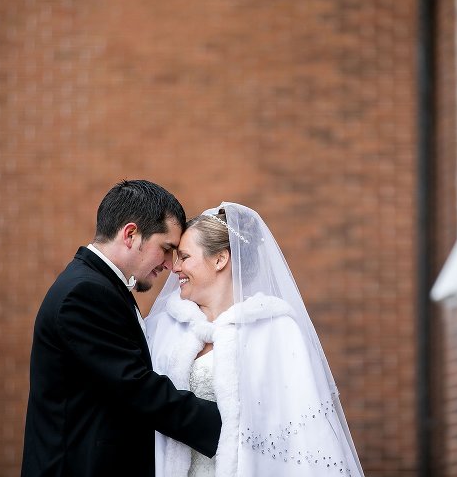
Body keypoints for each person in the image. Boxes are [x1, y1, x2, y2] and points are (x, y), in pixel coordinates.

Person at [145, 202, 364, 477]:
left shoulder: (276, 329)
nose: (173, 267)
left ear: (220, 259)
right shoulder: (163, 327)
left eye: (184, 257)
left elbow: (301, 429)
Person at [21, 180, 222, 477]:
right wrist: (227, 425)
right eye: (166, 249)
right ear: (130, 234)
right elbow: (136, 386)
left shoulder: (100, 284)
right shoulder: (85, 293)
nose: (170, 264)